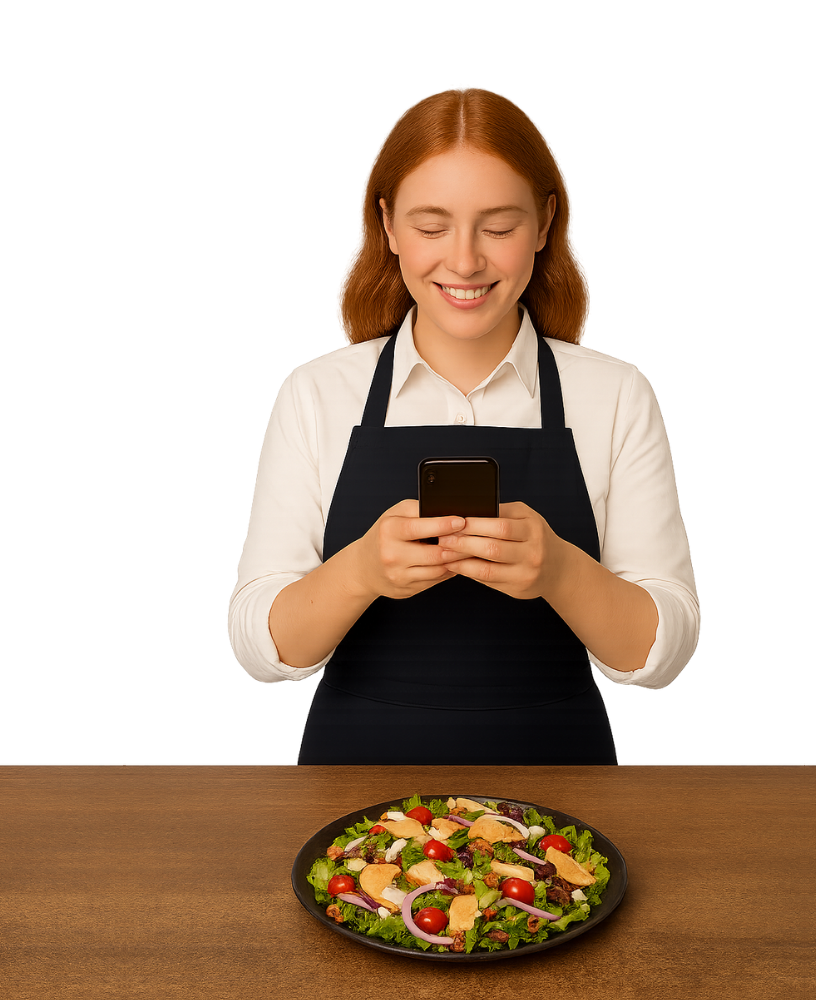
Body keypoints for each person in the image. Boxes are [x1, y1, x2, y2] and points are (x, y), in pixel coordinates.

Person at [227, 86, 699, 764]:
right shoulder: (316, 393)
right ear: (386, 225)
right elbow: (259, 649)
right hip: (352, 795)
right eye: (430, 225)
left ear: (544, 223)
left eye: (499, 227)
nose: (465, 260)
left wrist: (559, 570)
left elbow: (663, 655)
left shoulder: (617, 394)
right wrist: (360, 570)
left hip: (564, 790)